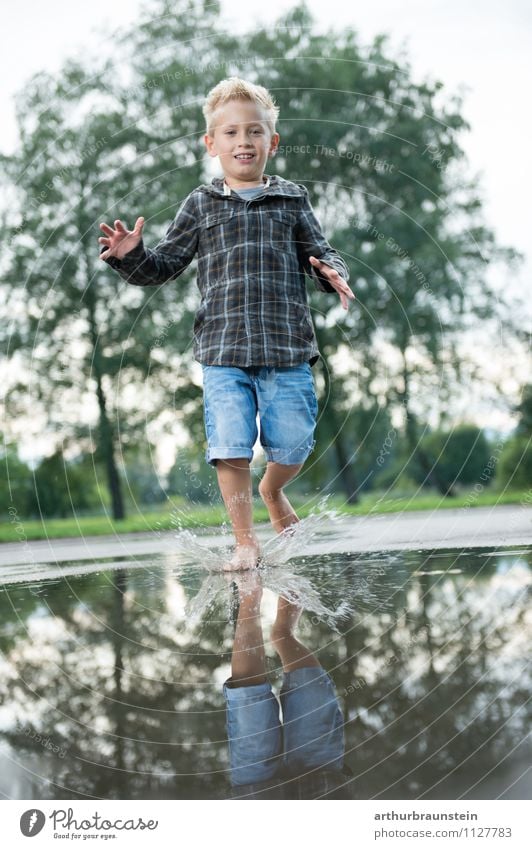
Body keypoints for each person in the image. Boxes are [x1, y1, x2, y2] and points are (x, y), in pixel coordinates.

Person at [99, 77, 355, 570]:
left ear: (271, 142)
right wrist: (131, 257)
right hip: (222, 351)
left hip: (287, 348)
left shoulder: (292, 200)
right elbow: (163, 265)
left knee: (295, 442)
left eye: (254, 132)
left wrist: (332, 272)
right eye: (232, 133)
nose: (244, 141)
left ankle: (273, 489)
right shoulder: (199, 204)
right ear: (211, 144)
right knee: (230, 445)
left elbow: (322, 253)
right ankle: (245, 542)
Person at [223, 570, 353, 799]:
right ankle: (283, 635)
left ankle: (249, 595)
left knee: (247, 701)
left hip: (258, 799)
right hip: (322, 788)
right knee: (313, 691)